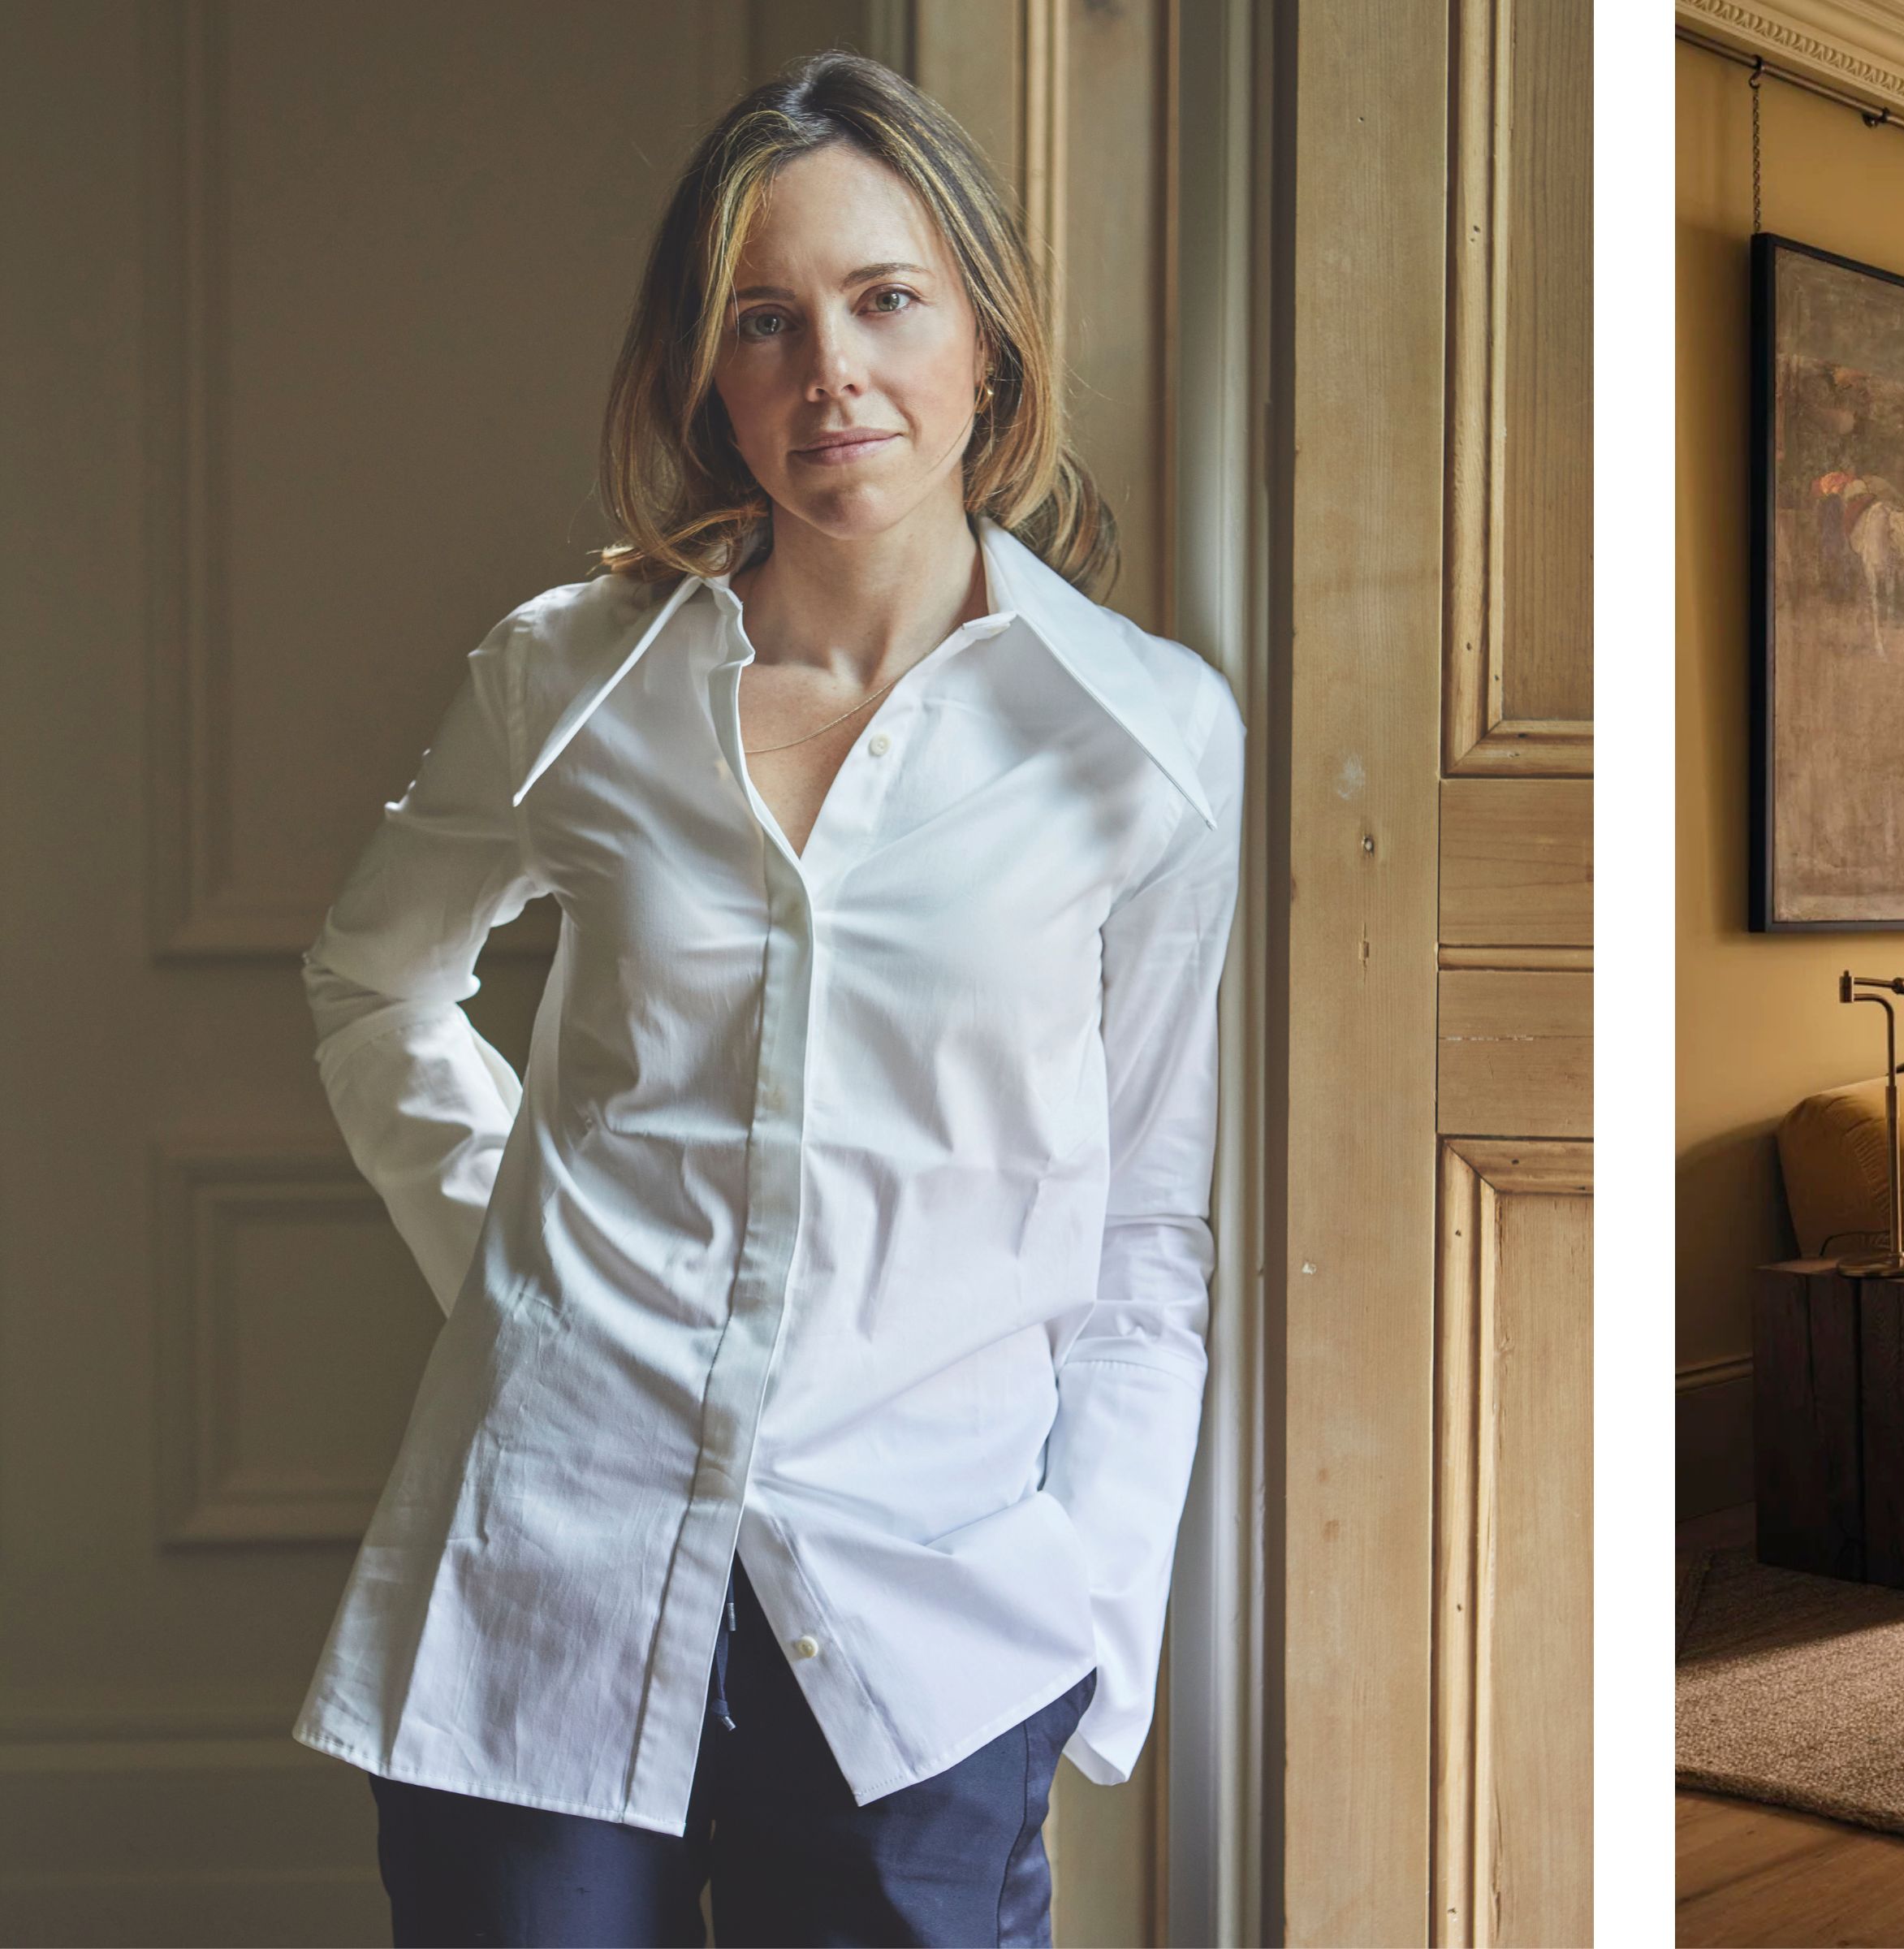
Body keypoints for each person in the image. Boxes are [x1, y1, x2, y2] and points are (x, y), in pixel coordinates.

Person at [290, 51, 1242, 1947]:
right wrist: (517, 1269)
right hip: (539, 1591)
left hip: (934, 1633)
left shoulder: (1140, 743)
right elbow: (372, 985)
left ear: (987, 341)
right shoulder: (561, 681)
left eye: (887, 300)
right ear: (707, 380)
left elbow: (1147, 1224)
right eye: (764, 321)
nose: (834, 374)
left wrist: (1087, 1616)